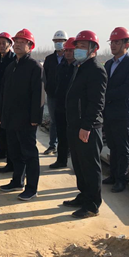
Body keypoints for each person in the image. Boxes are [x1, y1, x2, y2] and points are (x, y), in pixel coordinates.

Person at [63, 31, 108, 218]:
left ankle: (92, 205)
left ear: (93, 49)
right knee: (79, 164)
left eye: (82, 46)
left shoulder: (96, 70)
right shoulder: (80, 67)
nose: (78, 50)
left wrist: (87, 126)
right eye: (77, 46)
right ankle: (83, 195)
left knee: (90, 166)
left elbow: (97, 103)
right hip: (75, 124)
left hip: (87, 127)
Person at [0, 29, 45, 201]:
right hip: (10, 118)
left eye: (22, 42)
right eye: (16, 41)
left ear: (30, 46)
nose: (17, 44)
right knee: (15, 152)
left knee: (29, 154)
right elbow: (4, 93)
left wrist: (35, 118)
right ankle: (17, 181)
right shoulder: (11, 66)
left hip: (26, 120)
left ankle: (32, 188)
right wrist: (1, 113)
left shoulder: (35, 67)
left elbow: (38, 95)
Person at [103, 27, 129, 193]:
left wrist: (105, 95)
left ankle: (121, 179)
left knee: (122, 147)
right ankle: (113, 175)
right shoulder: (109, 64)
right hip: (109, 112)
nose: (113, 45)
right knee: (112, 145)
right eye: (112, 42)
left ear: (126, 44)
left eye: (117, 42)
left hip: (123, 113)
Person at [0, 32, 16, 173]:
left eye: (3, 43)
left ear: (10, 44)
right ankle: (2, 151)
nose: (1, 46)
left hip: (9, 97)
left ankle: (10, 157)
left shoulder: (14, 59)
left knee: (8, 127)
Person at [49, 37, 77, 169]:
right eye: (66, 50)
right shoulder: (60, 67)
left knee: (74, 137)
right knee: (61, 134)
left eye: (71, 50)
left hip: (73, 108)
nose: (68, 53)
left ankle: (77, 164)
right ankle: (61, 160)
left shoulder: (79, 68)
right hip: (60, 106)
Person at [43, 30, 68, 155]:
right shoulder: (49, 59)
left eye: (61, 41)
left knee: (66, 120)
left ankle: (66, 147)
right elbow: (45, 76)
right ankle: (52, 145)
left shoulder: (69, 58)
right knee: (53, 120)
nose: (58, 43)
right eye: (56, 41)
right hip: (52, 94)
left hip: (66, 95)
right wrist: (48, 89)